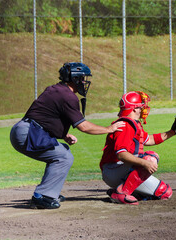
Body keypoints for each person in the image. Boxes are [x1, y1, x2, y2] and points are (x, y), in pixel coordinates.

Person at [10, 62, 125, 209]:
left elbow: (46, 116)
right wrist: (109, 129)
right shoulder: (68, 96)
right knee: (63, 157)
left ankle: (49, 192)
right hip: (29, 132)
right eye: (82, 78)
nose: (84, 82)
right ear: (75, 78)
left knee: (62, 152)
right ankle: (42, 196)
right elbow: (83, 126)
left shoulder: (55, 89)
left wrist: (64, 135)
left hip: (25, 130)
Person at [100, 91, 176, 205]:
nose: (144, 109)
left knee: (165, 192)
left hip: (121, 170)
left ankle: (119, 191)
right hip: (114, 169)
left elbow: (149, 140)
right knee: (150, 157)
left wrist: (172, 132)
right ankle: (122, 192)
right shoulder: (125, 125)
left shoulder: (133, 124)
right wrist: (144, 163)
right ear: (134, 109)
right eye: (141, 106)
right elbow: (121, 154)